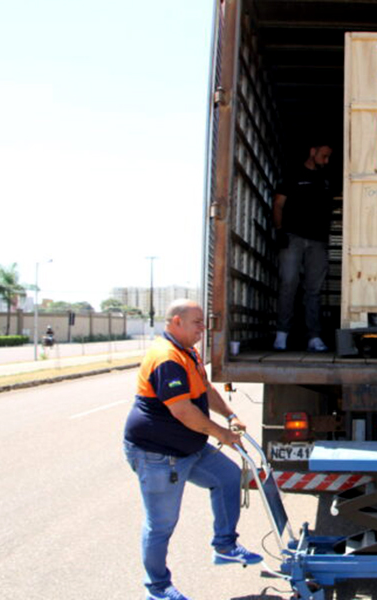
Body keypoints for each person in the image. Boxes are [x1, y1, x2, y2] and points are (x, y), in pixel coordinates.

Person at [123, 299, 262, 600]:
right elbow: (183, 411)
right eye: (197, 322)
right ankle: (158, 588)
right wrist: (222, 434)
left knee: (227, 477)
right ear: (175, 322)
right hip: (158, 453)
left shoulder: (188, 352)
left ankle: (225, 546)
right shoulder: (167, 358)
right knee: (161, 524)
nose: (203, 328)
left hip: (189, 446)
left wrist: (230, 415)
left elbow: (205, 389)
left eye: (203, 322)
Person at [272, 142, 333, 352]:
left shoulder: (327, 179)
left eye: (328, 158)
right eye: (324, 156)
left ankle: (314, 337)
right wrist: (279, 230)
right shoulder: (293, 174)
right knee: (288, 284)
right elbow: (278, 203)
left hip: (318, 240)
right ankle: (282, 334)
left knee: (313, 290)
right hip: (293, 237)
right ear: (312, 151)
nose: (326, 161)